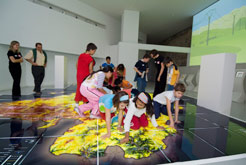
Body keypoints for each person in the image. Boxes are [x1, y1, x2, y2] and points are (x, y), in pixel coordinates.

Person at [74, 43, 97, 112]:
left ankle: (76, 105)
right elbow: (90, 70)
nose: (94, 52)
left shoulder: (81, 55)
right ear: (90, 50)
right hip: (86, 77)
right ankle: (84, 105)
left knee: (78, 89)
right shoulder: (90, 58)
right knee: (85, 90)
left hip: (79, 75)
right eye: (94, 51)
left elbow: (77, 65)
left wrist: (79, 71)